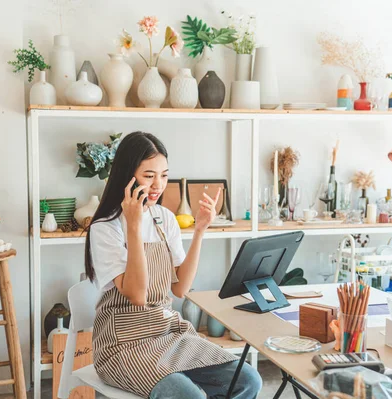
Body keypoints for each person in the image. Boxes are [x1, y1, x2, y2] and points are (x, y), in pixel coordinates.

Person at [85, 131, 262, 398]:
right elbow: (137, 296)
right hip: (121, 344)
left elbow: (181, 289)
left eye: (164, 175)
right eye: (149, 175)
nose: (158, 185)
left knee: (248, 380)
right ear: (127, 176)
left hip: (166, 332)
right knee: (189, 395)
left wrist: (200, 230)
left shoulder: (164, 218)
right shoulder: (105, 228)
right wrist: (133, 226)